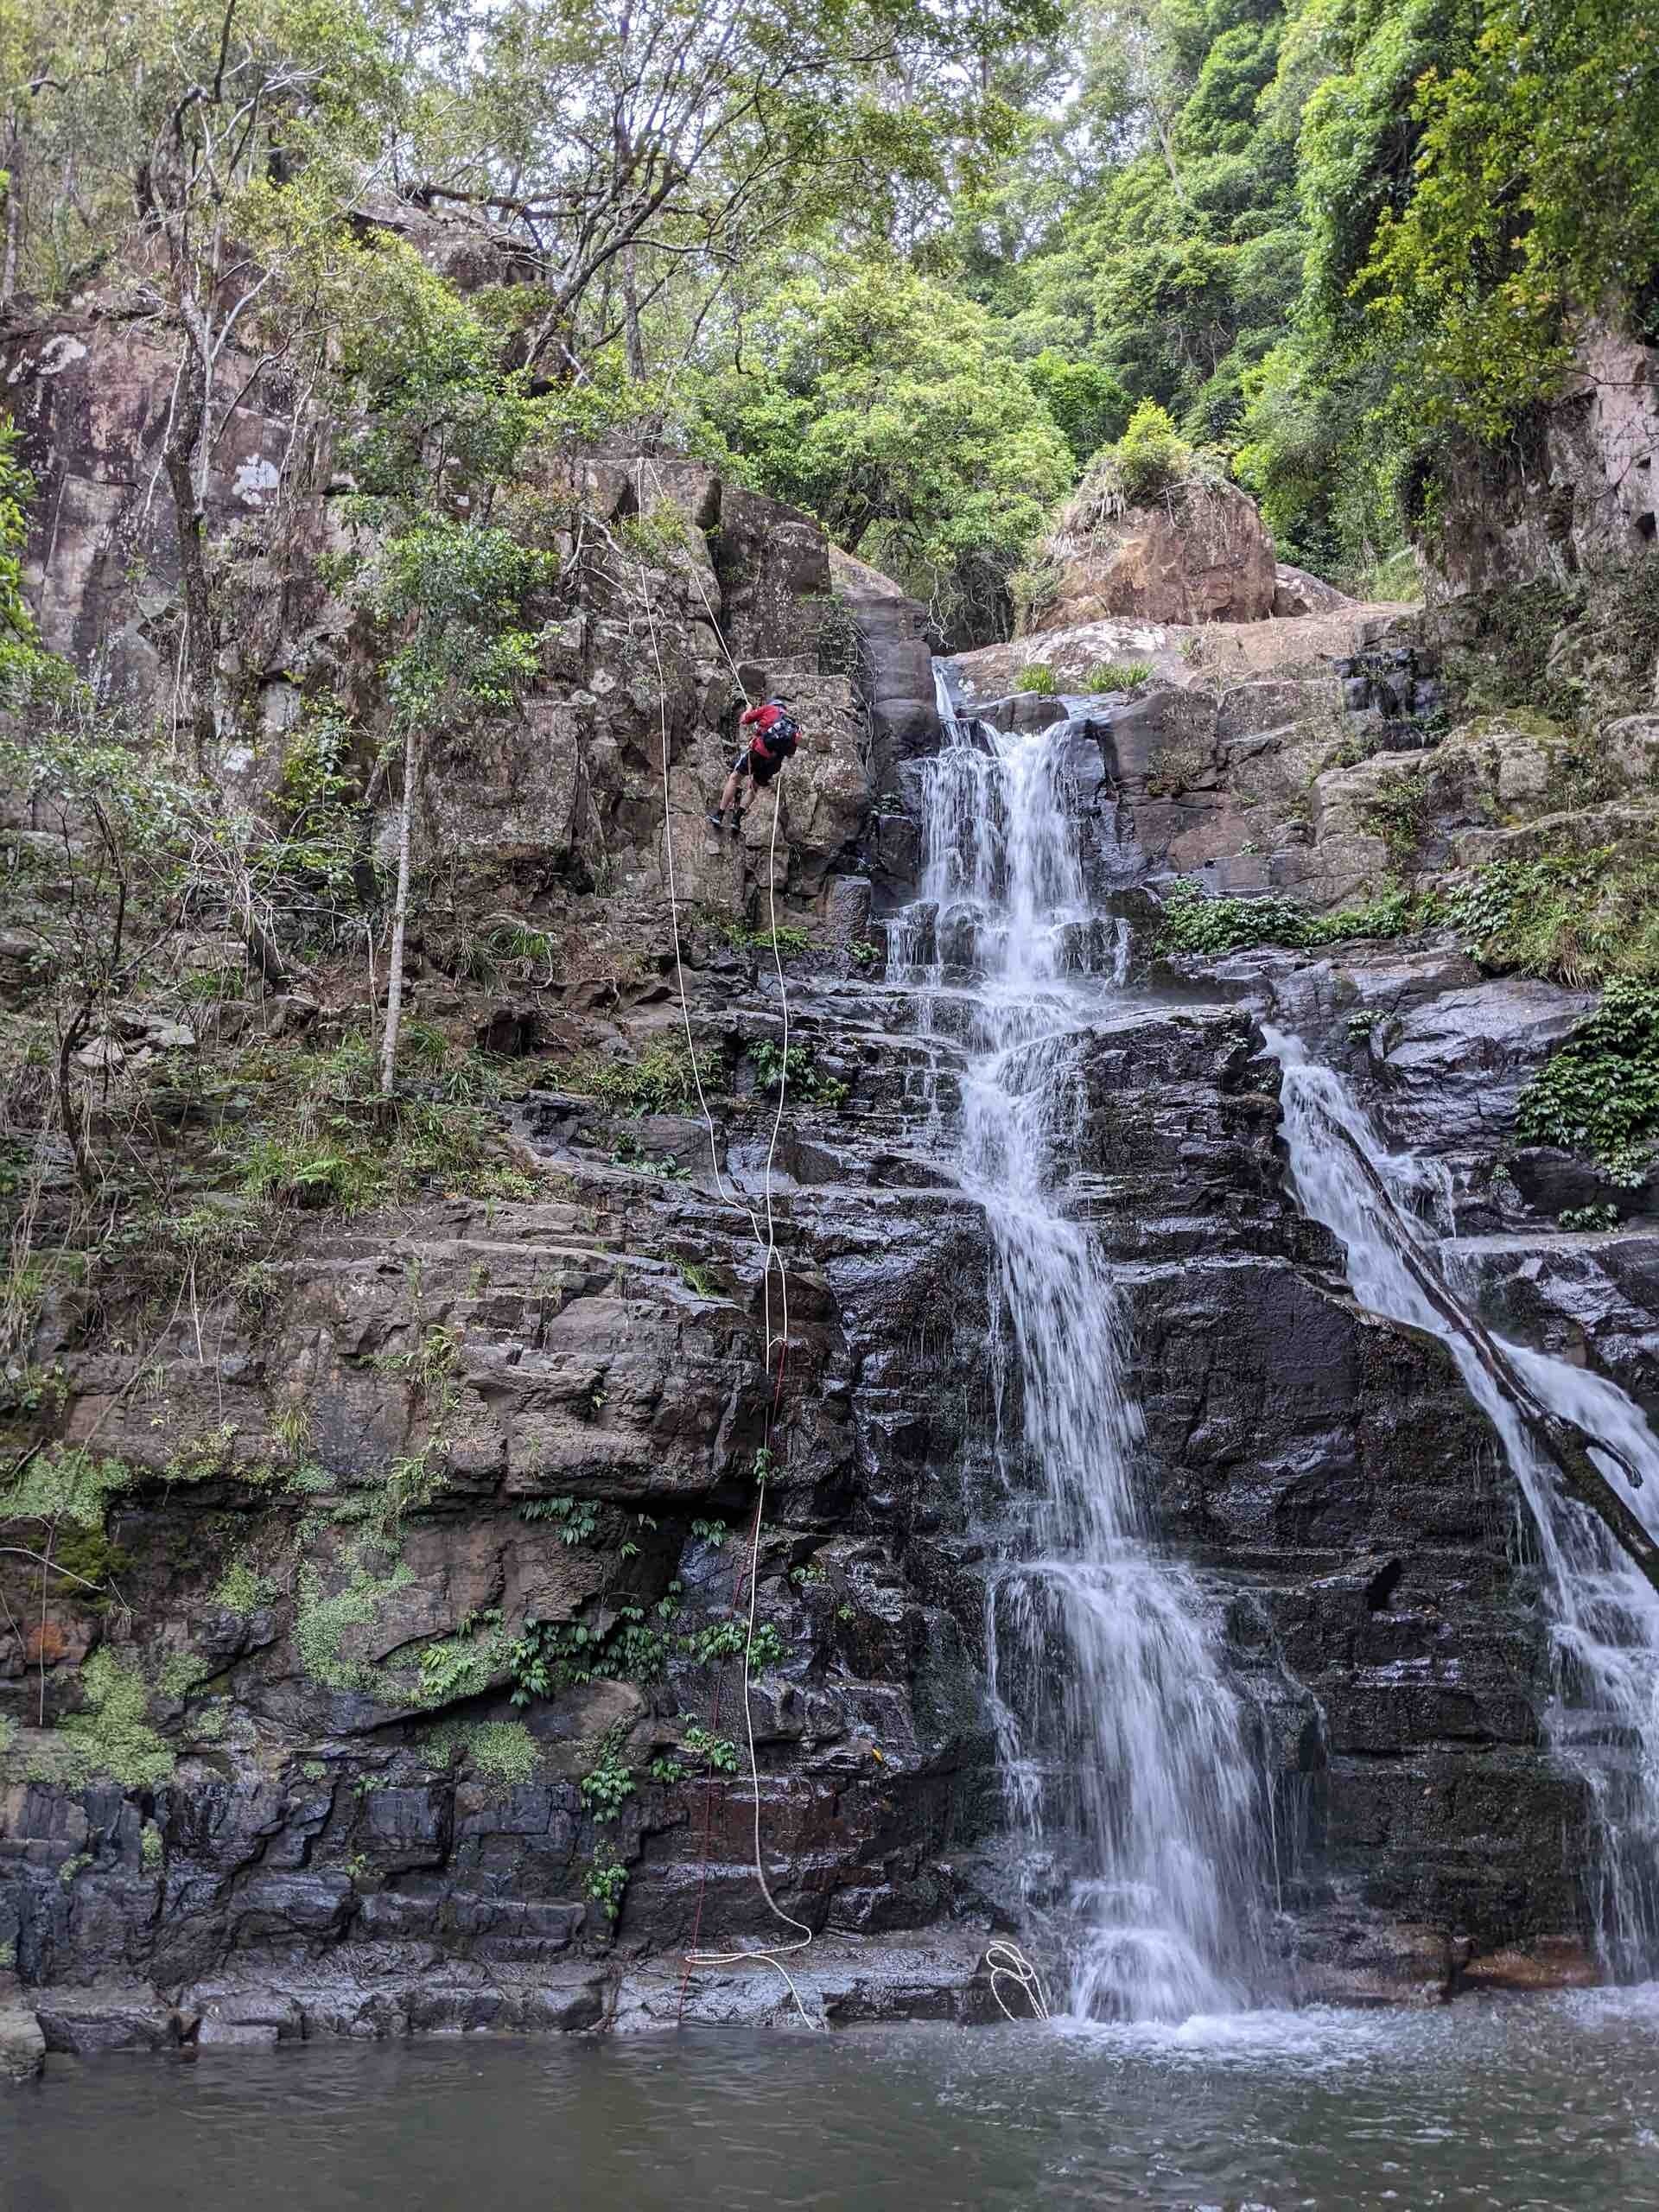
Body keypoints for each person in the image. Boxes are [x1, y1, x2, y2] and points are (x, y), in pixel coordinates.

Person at [709, 696, 799, 831]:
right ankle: (736, 820)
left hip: (758, 752)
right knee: (753, 788)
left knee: (735, 778)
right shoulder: (792, 726)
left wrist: (749, 709)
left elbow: (744, 720)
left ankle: (719, 814)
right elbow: (791, 753)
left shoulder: (769, 709)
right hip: (773, 763)